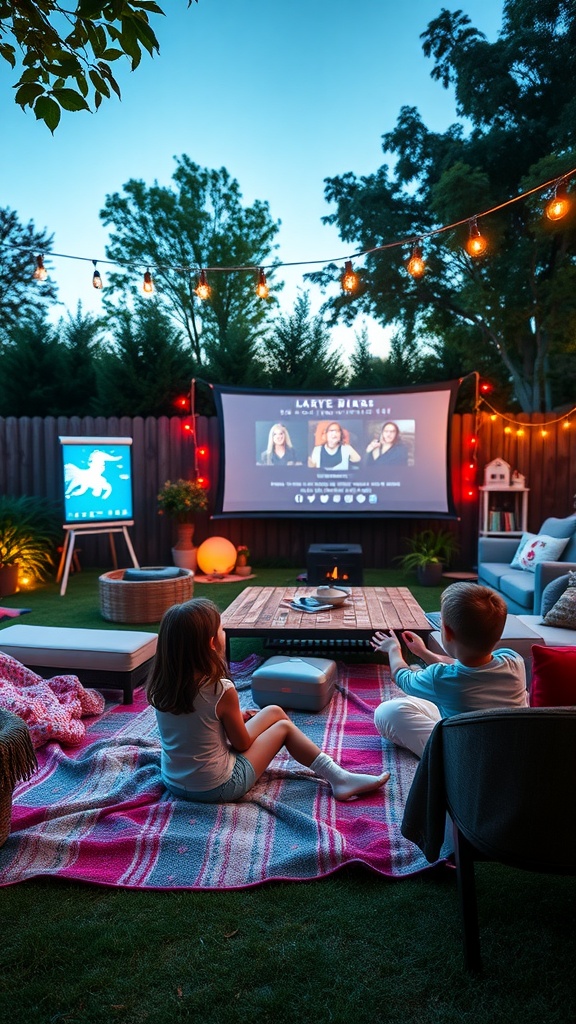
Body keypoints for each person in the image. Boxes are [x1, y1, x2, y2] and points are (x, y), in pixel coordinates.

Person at [147, 597, 390, 803]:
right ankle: (340, 779)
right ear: (211, 643)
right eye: (221, 630)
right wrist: (241, 725)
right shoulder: (220, 689)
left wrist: (234, 720)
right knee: (283, 726)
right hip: (215, 787)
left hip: (174, 782)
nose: (223, 633)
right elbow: (241, 744)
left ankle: (337, 775)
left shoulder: (161, 686)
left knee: (273, 711)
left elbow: (195, 725)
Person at [370, 582, 527, 758]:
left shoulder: (440, 677)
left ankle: (442, 758)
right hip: (512, 747)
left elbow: (402, 677)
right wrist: (424, 653)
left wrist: (393, 649)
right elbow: (463, 663)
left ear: (446, 631)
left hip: (466, 755)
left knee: (386, 712)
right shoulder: (513, 660)